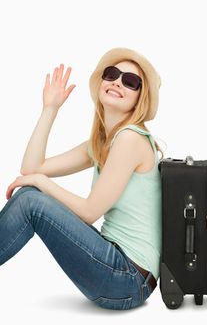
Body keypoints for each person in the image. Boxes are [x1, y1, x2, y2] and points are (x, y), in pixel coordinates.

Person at [0, 47, 163, 311]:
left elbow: (89, 212)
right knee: (29, 195)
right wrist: (50, 108)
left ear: (139, 100)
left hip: (128, 280)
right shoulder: (103, 142)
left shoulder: (130, 139)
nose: (118, 82)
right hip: (116, 269)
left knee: (32, 201)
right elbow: (31, 167)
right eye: (112, 74)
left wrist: (40, 183)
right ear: (101, 82)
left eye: (130, 82)